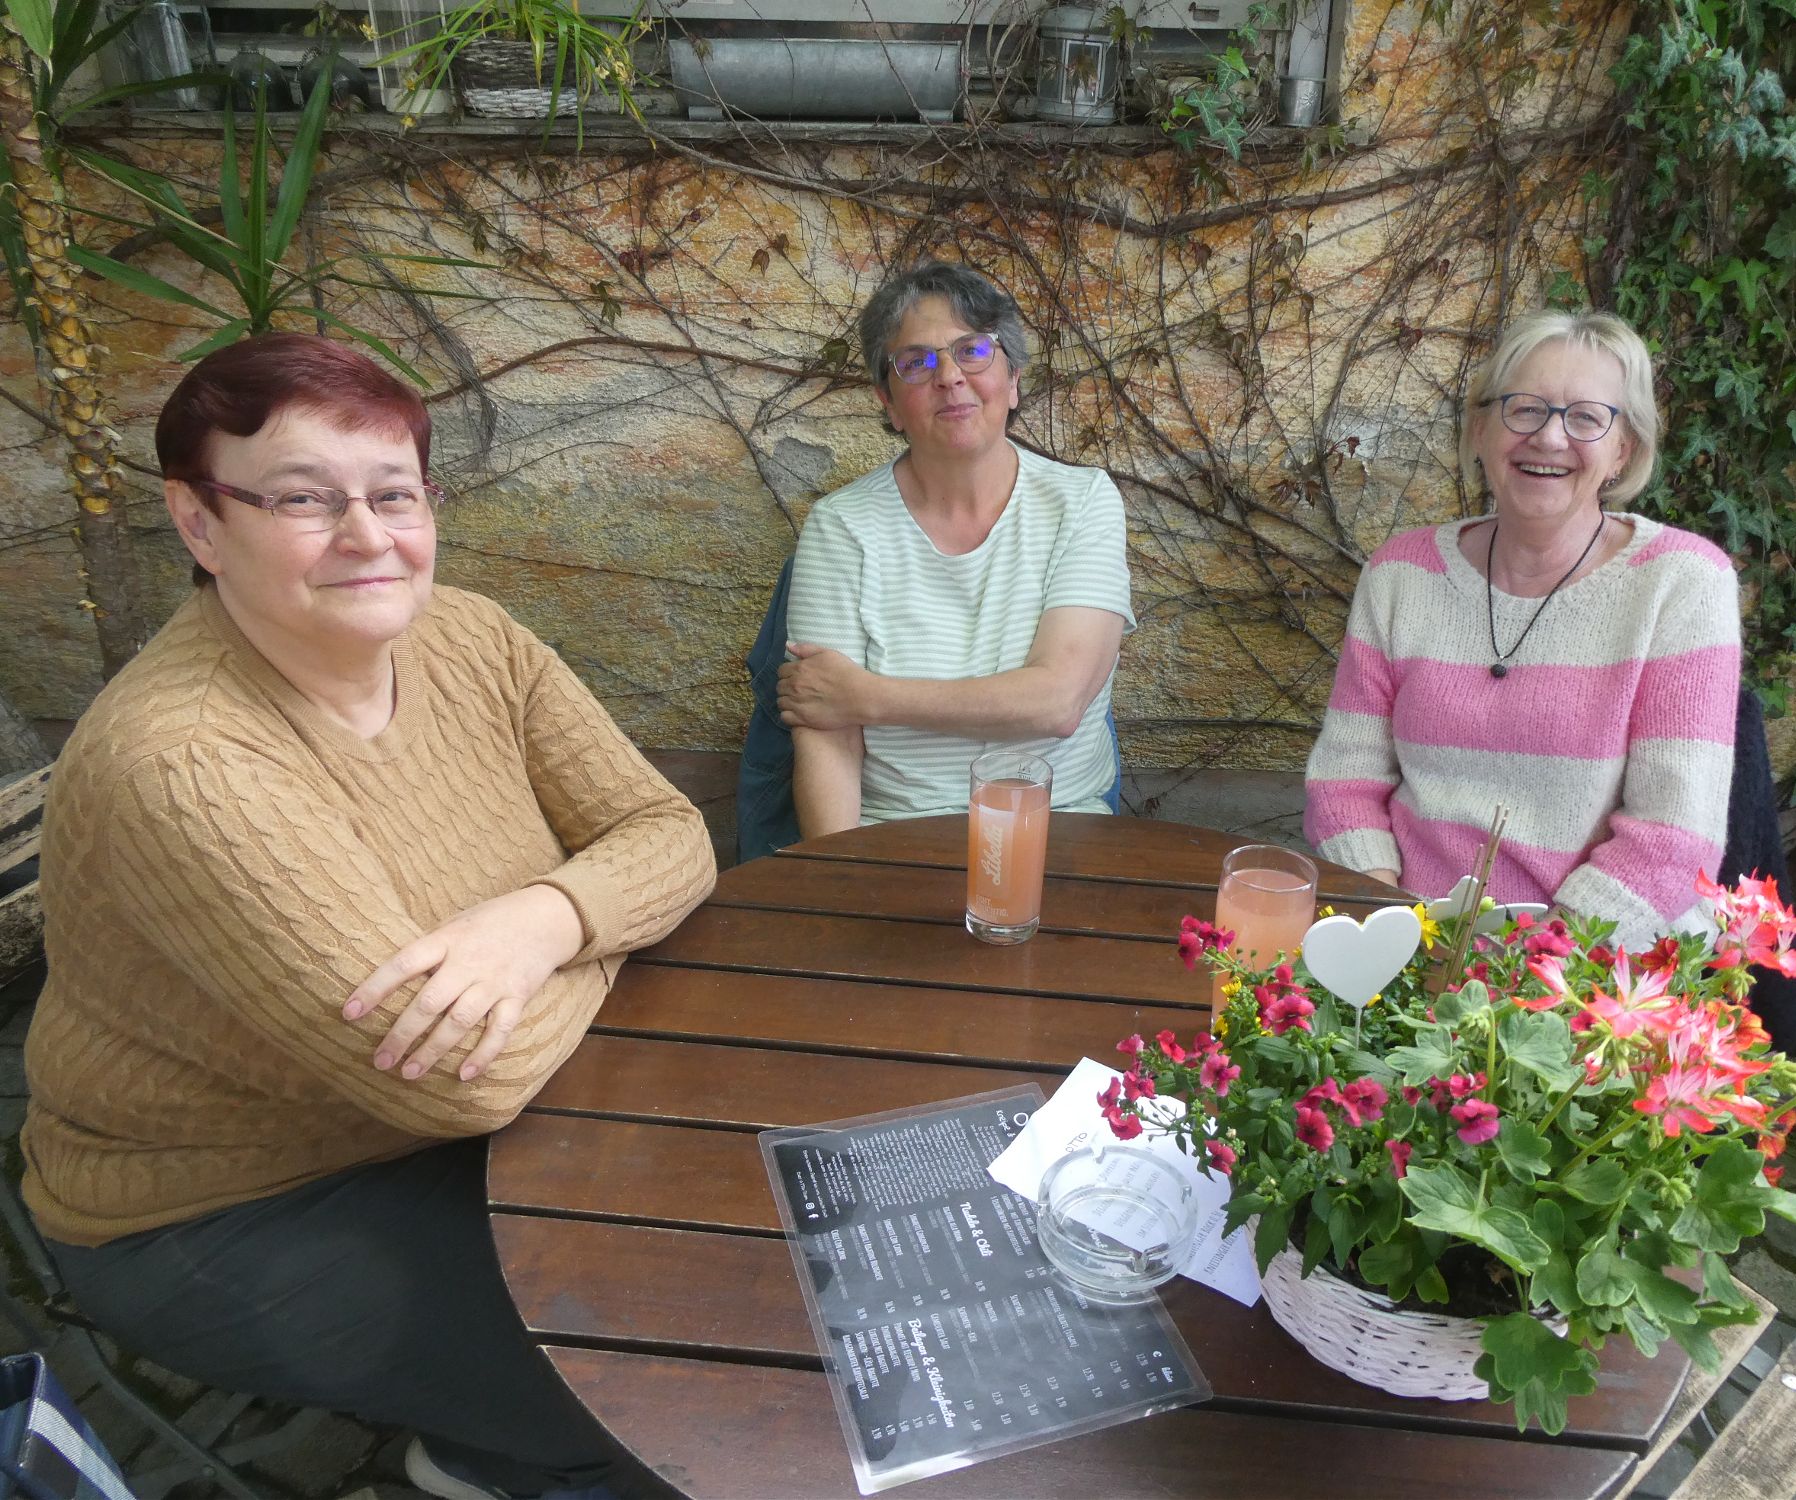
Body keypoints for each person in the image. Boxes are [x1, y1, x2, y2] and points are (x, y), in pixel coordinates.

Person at [21, 334, 717, 1500]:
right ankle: (515, 1456)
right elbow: (462, 1084)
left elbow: (670, 832)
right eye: (302, 499)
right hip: (233, 1204)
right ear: (200, 523)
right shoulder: (185, 764)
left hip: (462, 1120)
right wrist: (611, 926)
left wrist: (537, 924)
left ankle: (491, 1437)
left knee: (750, 1237)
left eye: (393, 493)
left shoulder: (473, 638)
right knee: (675, 1386)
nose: (365, 535)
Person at [1304, 309, 1740, 944]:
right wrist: (1394, 935)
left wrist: (1531, 972)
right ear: (1481, 430)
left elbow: (1672, 838)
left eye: (1586, 417)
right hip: (1411, 939)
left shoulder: (1681, 583)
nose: (1550, 437)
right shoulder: (1401, 575)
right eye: (1525, 409)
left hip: (1596, 960)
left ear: (1623, 451)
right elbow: (1345, 784)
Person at [777, 262, 1135, 835]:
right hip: (892, 833)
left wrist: (868, 696)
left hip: (1056, 826)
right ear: (889, 403)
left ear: (1012, 381)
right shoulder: (841, 526)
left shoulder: (1082, 501)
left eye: (972, 351)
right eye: (916, 362)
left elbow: (1057, 703)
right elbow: (826, 729)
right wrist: (841, 873)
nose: (948, 376)